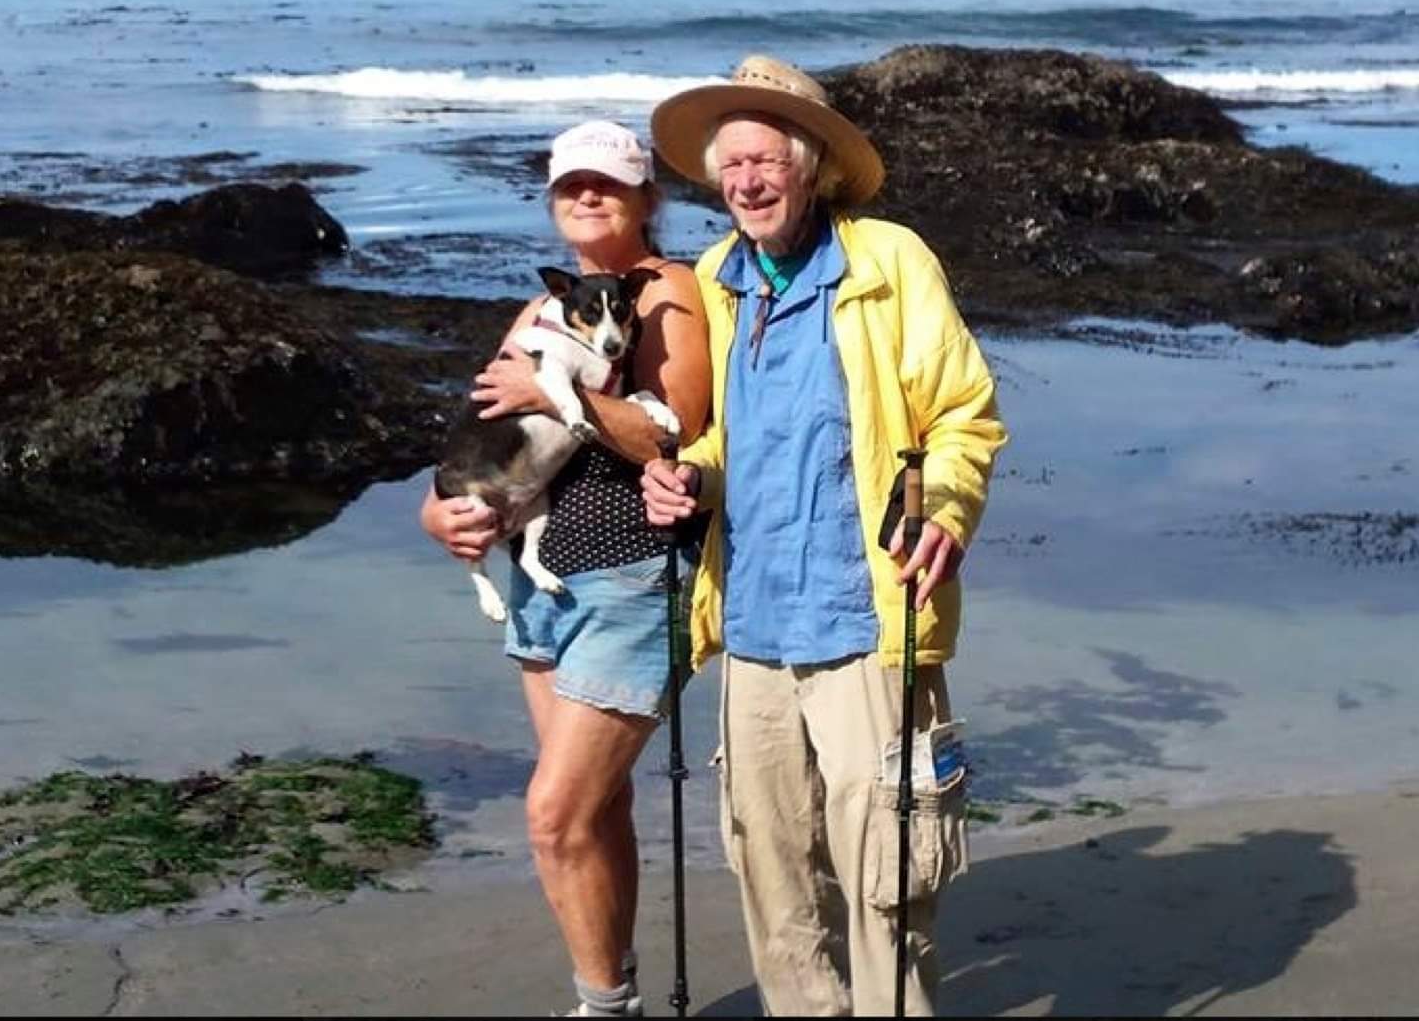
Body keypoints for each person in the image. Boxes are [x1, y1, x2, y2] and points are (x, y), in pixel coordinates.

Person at [639, 55, 1006, 1017]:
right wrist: (687, 478)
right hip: (751, 623)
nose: (748, 182)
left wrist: (951, 516)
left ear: (812, 167)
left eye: (766, 159)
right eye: (732, 167)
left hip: (869, 617)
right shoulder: (715, 280)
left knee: (889, 866)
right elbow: (719, 436)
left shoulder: (889, 263)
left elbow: (963, 414)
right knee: (769, 865)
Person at [419, 119, 709, 1018]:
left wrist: (561, 391)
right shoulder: (540, 310)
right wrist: (437, 514)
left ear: (646, 199)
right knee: (596, 810)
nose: (587, 198)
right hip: (541, 574)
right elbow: (479, 431)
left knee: (554, 815)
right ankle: (612, 988)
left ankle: (603, 1009)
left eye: (609, 185)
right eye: (570, 186)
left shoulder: (671, 292)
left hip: (631, 575)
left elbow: (677, 427)